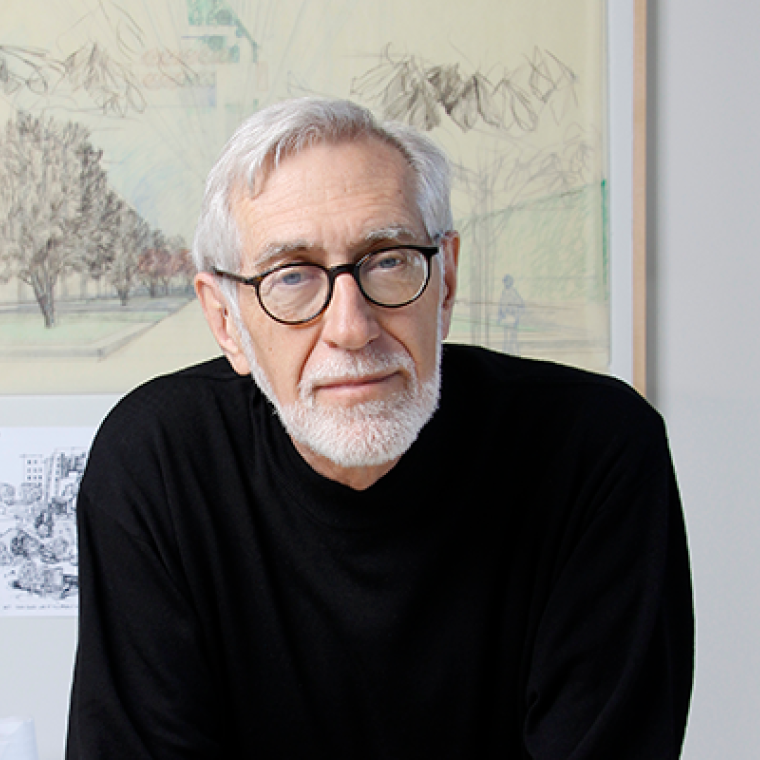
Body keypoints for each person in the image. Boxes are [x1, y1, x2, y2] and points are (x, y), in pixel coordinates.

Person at [66, 98, 694, 759]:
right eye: (292, 277)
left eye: (389, 259)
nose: (351, 327)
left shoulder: (596, 450)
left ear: (445, 281)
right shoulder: (157, 463)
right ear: (227, 321)